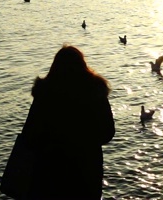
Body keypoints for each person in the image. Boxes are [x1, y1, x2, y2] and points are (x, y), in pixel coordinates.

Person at [21, 45, 115, 199]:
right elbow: (108, 133)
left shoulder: (45, 94)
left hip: (50, 173)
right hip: (87, 171)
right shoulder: (95, 92)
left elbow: (29, 136)